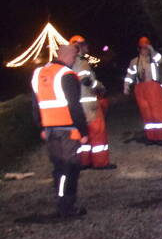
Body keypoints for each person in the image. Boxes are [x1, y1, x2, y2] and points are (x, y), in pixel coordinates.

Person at [32, 43, 89, 219]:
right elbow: (74, 106)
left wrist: (41, 127)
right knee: (70, 168)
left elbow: (35, 104)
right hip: (68, 130)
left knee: (58, 168)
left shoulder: (39, 74)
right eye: (73, 57)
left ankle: (62, 201)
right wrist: (83, 131)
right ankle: (66, 207)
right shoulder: (67, 75)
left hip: (50, 130)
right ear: (66, 56)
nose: (73, 61)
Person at [69, 35, 116, 169]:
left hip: (76, 105)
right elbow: (86, 80)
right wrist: (100, 86)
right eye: (85, 45)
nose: (87, 47)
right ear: (80, 46)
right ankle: (100, 162)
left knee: (83, 133)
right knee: (97, 132)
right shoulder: (82, 62)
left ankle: (84, 162)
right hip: (89, 104)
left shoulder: (69, 63)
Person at [124, 36, 162, 145]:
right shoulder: (134, 62)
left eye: (146, 48)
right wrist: (126, 86)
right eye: (142, 48)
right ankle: (152, 137)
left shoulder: (155, 59)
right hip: (140, 89)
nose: (144, 50)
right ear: (139, 49)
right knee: (147, 114)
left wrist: (153, 51)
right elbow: (130, 75)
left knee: (159, 113)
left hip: (154, 88)